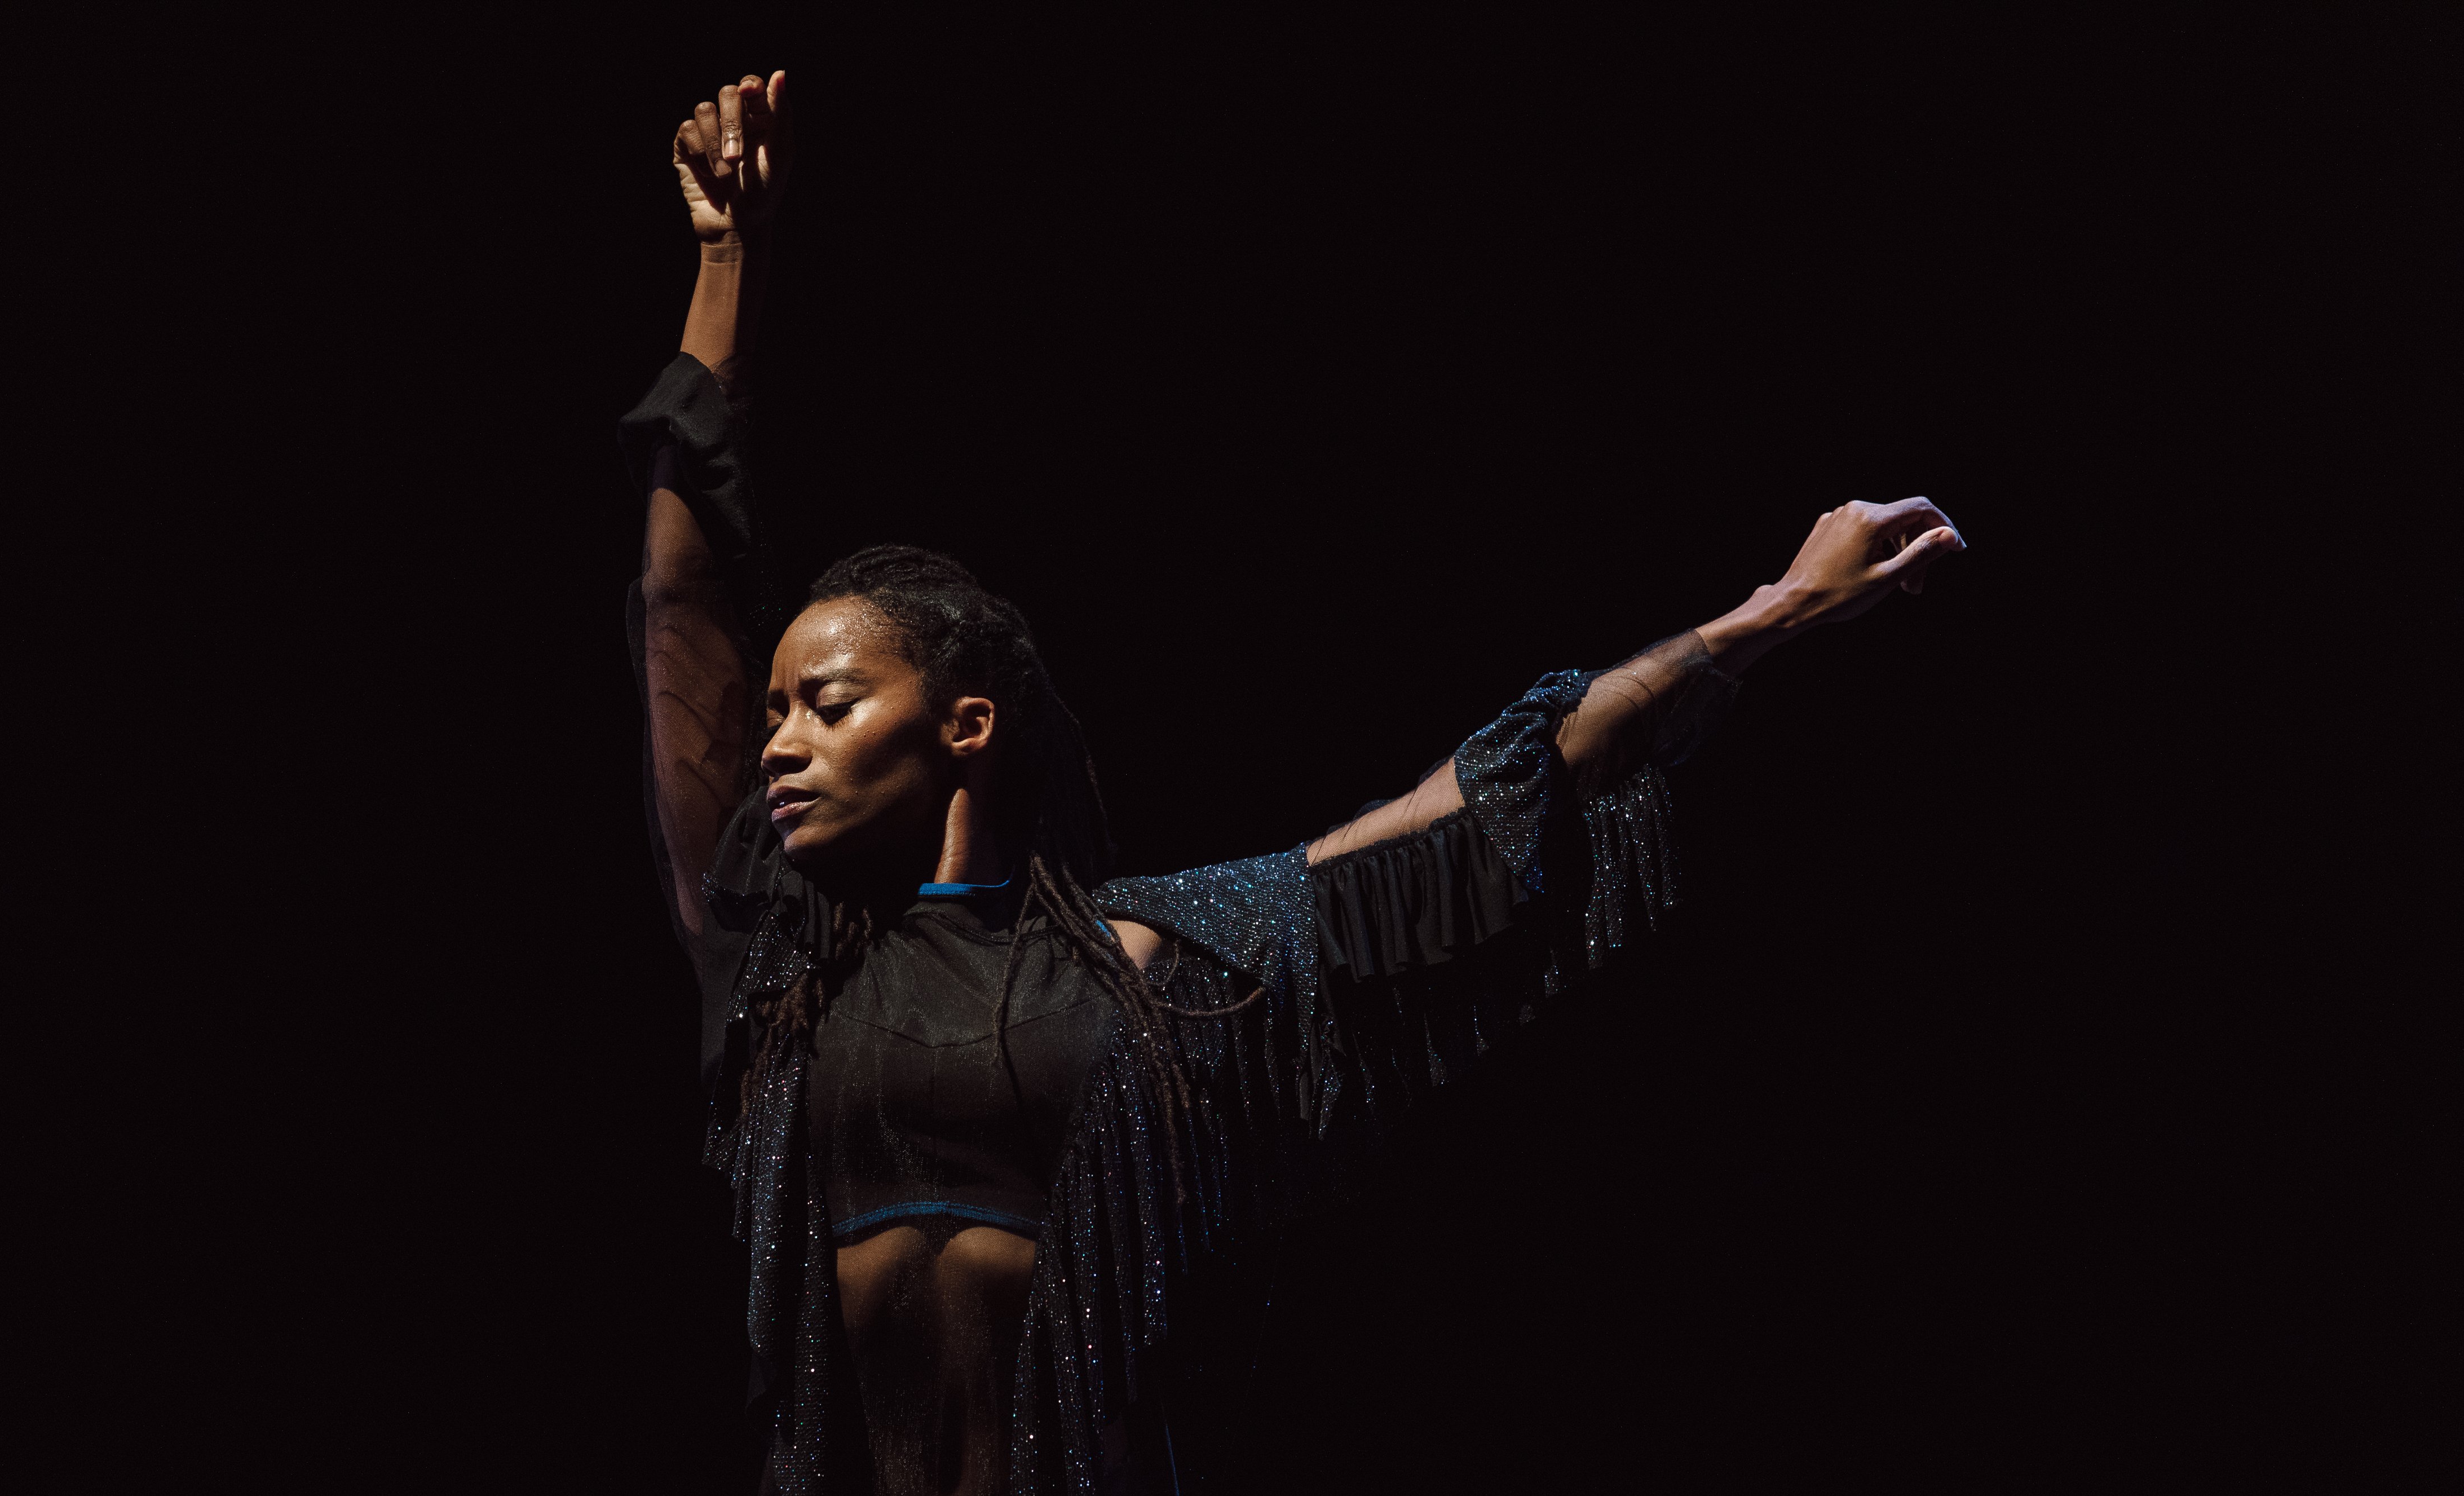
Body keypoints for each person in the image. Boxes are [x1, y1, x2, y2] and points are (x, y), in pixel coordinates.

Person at [627, 70, 1966, 1496]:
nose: (776, 740)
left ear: (965, 728)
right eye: (773, 711)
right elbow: (677, 614)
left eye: (825, 705)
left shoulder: (1145, 962)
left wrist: (1762, 619)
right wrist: (727, 267)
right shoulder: (777, 979)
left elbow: (1470, 814)